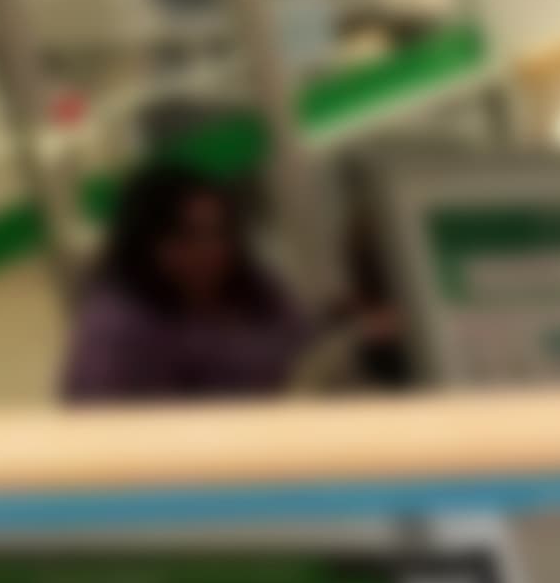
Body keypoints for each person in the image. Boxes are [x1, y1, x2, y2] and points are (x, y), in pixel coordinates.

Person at [61, 151, 350, 401]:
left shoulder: (247, 285)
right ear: (147, 242)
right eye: (188, 236)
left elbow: (295, 340)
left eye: (218, 233)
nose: (209, 250)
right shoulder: (117, 330)